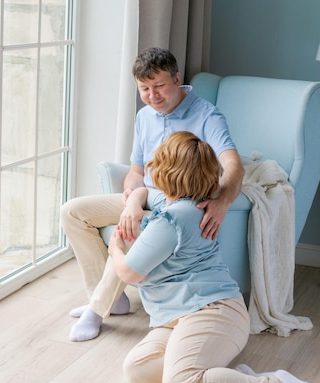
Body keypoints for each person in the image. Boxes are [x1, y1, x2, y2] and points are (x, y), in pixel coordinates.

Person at [107, 131, 320, 383]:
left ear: (164, 171)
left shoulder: (172, 220)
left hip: (214, 312)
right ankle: (223, 379)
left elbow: (129, 273)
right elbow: (144, 193)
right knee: (137, 368)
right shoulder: (186, 203)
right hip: (177, 316)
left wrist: (115, 249)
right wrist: (132, 204)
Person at [61, 47, 244, 339]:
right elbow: (136, 171)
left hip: (181, 203)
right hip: (148, 195)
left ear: (176, 79)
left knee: (134, 231)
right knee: (72, 211)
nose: (152, 96)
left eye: (159, 86)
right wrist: (132, 195)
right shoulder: (145, 116)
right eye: (144, 89)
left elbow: (234, 165)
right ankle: (110, 299)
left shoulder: (208, 115)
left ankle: (96, 310)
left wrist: (222, 201)